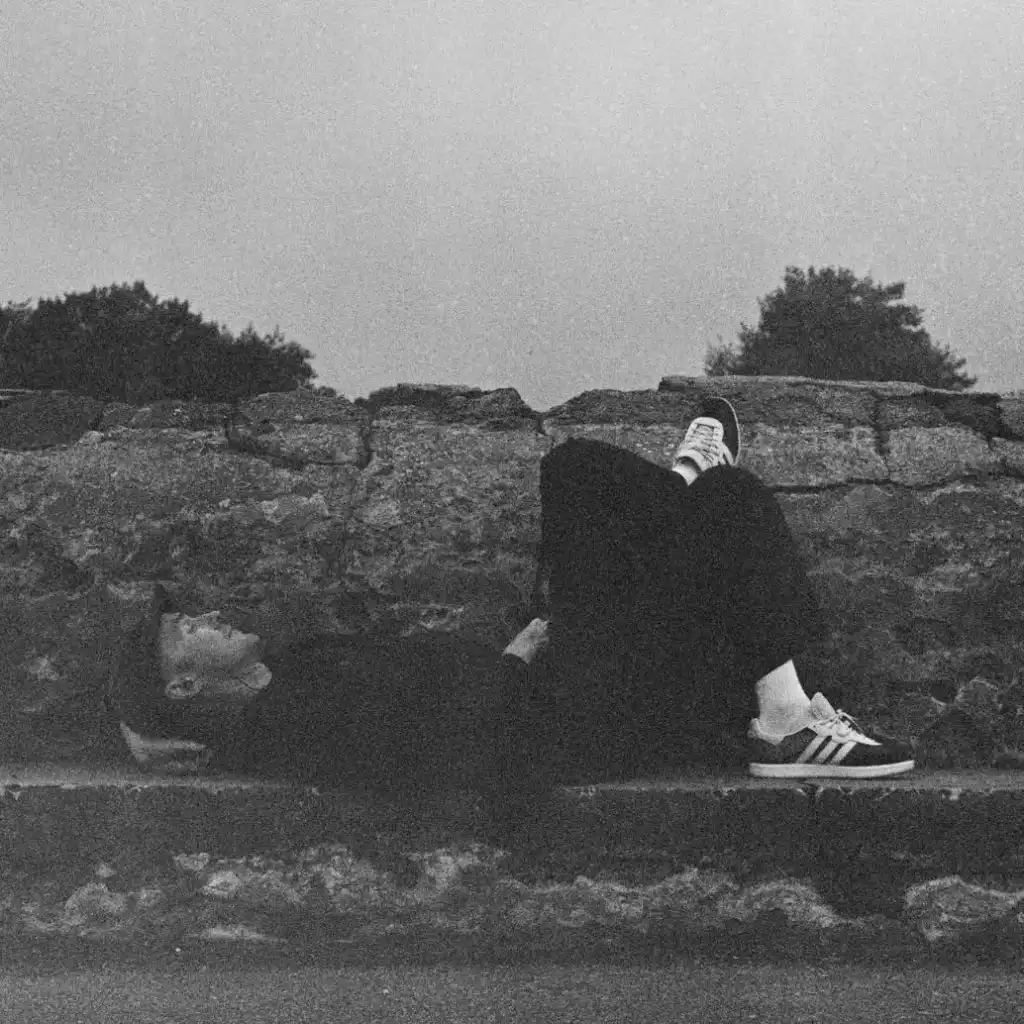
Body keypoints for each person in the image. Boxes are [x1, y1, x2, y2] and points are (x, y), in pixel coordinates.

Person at [109, 396, 914, 817]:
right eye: (187, 630)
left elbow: (148, 701)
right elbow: (429, 748)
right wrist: (515, 663)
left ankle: (676, 494)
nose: (207, 615)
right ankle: (786, 716)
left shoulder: (285, 674)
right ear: (185, 684)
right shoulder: (287, 723)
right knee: (726, 500)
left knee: (576, 469)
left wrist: (127, 724)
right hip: (585, 719)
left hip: (565, 680)